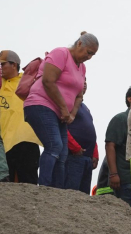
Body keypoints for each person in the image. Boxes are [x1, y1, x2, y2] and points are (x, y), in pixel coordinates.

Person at [23, 32, 98, 188]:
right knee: (54, 145)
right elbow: (48, 81)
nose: (89, 57)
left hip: (60, 114)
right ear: (79, 44)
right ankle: (44, 187)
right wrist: (64, 108)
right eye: (88, 52)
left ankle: (56, 191)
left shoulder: (82, 68)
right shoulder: (60, 53)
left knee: (63, 153)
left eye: (93, 54)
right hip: (40, 105)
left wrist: (72, 114)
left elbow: (79, 95)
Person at [0, 50, 41, 184]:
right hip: (4, 142)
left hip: (27, 138)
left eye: (2, 64)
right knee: (6, 184)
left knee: (29, 182)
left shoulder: (27, 80)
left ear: (14, 65)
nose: (0, 68)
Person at [65, 79, 99, 194]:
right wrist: (74, 147)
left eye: (85, 81)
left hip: (86, 159)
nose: (84, 83)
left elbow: (90, 131)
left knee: (84, 196)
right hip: (72, 157)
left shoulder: (85, 108)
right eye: (80, 80)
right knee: (71, 193)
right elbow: (62, 127)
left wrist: (95, 153)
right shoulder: (66, 103)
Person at [105, 86, 131, 207]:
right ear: (130, 99)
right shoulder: (121, 119)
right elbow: (110, 145)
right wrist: (114, 174)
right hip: (125, 179)